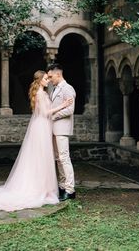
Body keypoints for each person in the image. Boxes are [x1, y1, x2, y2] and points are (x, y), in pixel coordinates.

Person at [0, 70, 72, 212]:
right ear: (38, 80)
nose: (47, 80)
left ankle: (44, 187)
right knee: (41, 157)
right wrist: (63, 105)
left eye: (48, 78)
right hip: (42, 126)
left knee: (40, 157)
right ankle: (39, 189)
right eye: (45, 79)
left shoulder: (40, 93)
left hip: (41, 126)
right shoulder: (40, 94)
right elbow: (45, 113)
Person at [47, 63, 76, 201]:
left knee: (64, 158)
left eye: (51, 76)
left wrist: (53, 116)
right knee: (58, 158)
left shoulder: (68, 88)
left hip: (62, 128)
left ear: (58, 74)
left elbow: (70, 110)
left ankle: (70, 190)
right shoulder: (54, 89)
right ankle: (62, 185)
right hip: (54, 129)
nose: (50, 79)